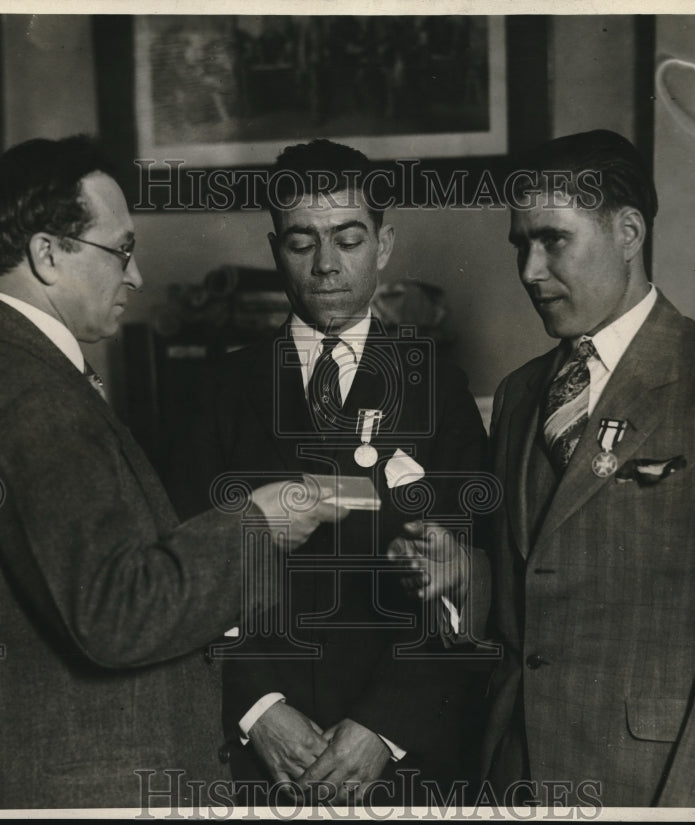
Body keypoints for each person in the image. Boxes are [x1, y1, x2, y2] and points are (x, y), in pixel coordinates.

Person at [0, 135, 343, 811]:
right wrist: (259, 524)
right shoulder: (33, 394)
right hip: (80, 785)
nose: (137, 275)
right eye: (121, 250)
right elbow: (117, 610)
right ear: (48, 254)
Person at [392, 129, 695, 807]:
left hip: (649, 789)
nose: (530, 270)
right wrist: (466, 576)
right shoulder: (522, 393)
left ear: (627, 231)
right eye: (519, 245)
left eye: (553, 240)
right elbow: (533, 600)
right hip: (511, 779)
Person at [176, 139, 491, 805]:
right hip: (256, 760)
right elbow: (184, 574)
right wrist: (259, 710)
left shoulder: (440, 388)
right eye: (301, 242)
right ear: (274, 248)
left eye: (347, 239)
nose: (325, 265)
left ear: (384, 244)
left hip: (403, 762)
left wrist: (385, 727)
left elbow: (476, 576)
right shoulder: (215, 392)